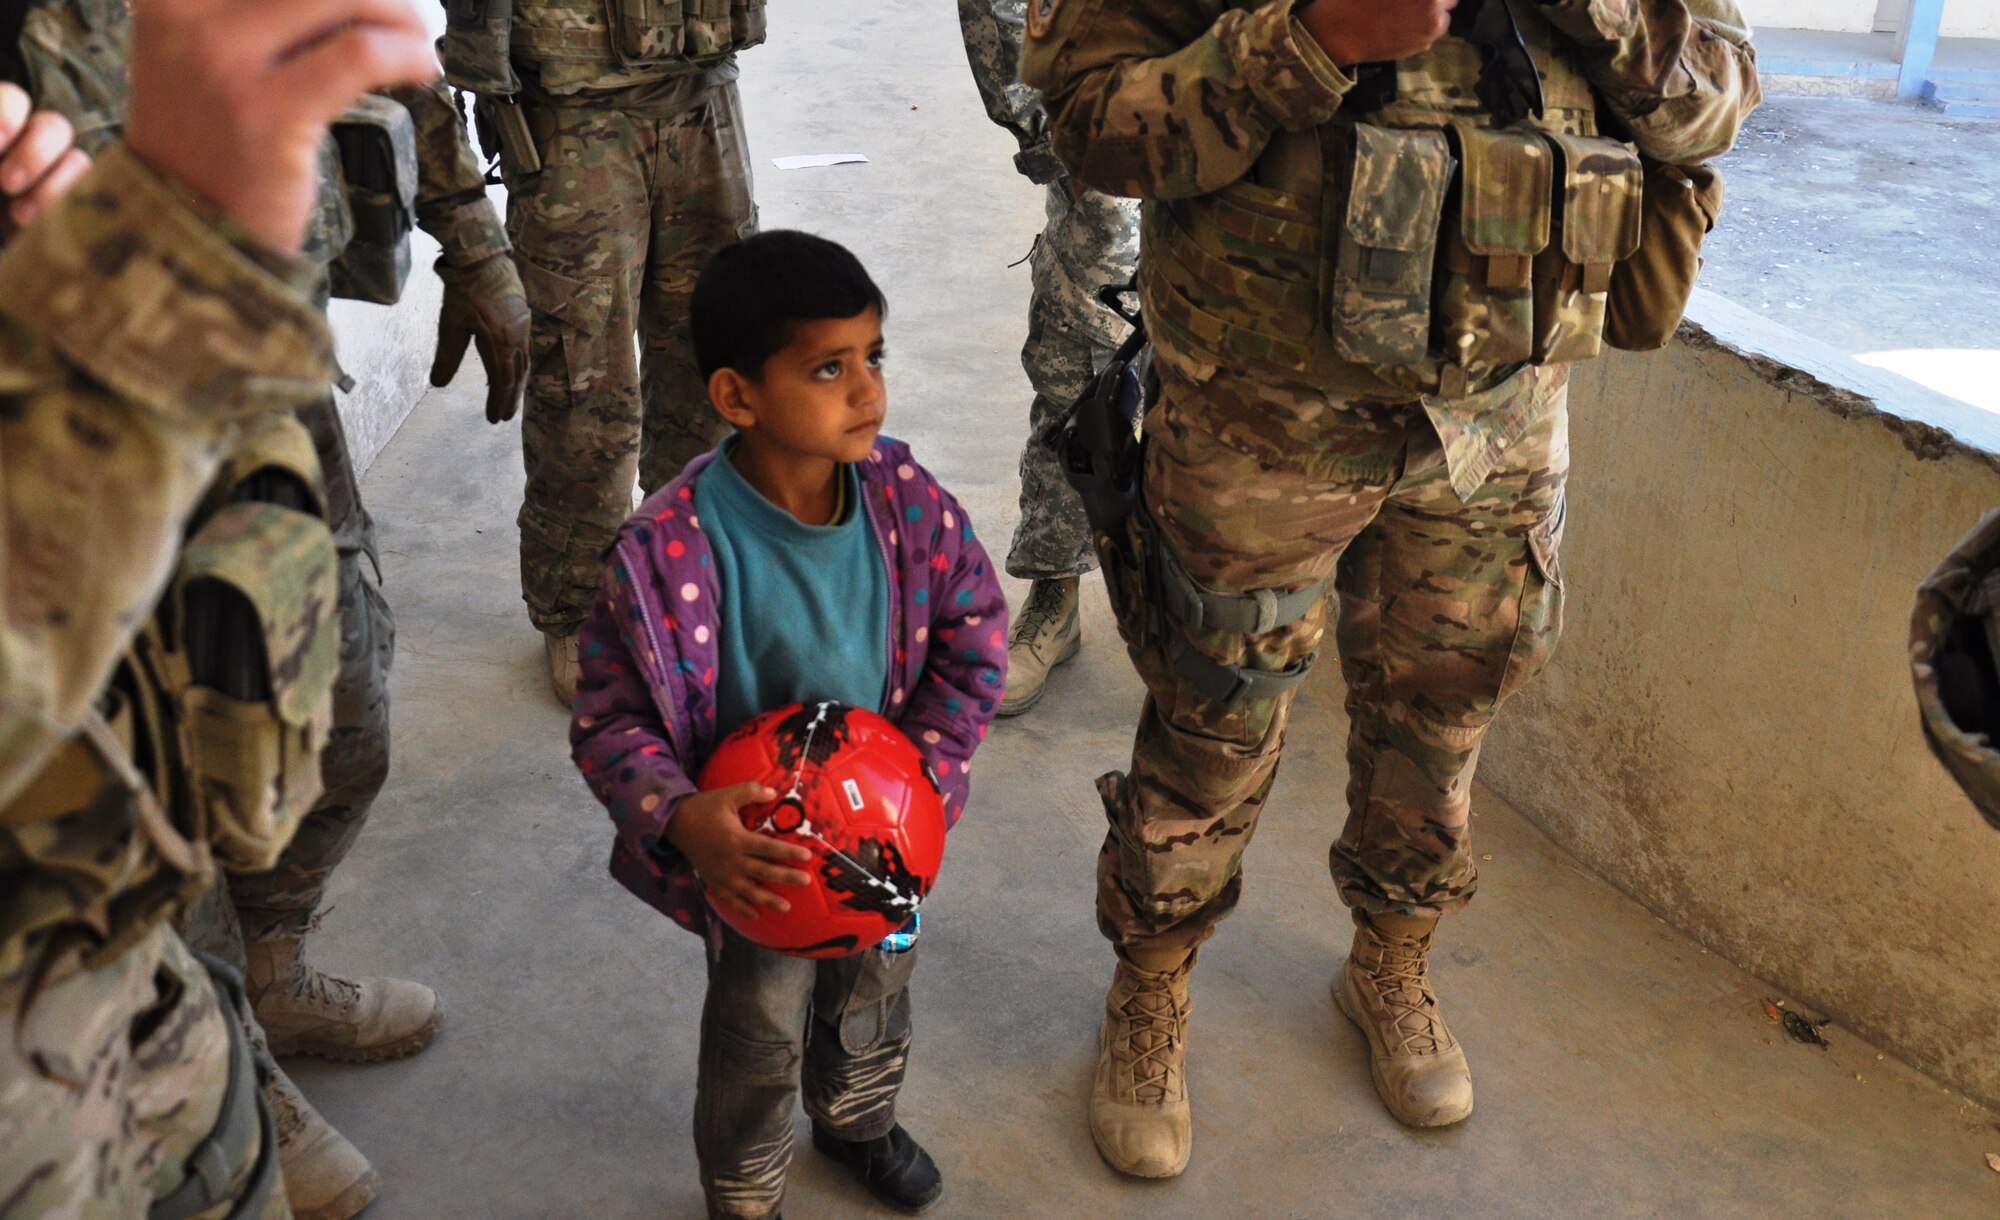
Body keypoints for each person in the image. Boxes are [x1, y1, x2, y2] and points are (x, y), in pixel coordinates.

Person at [1023, 0, 1760, 1177]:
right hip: (1260, 410)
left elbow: (1717, 100)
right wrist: (1312, 40)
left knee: (1447, 707)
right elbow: (1090, 125)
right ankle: (1149, 989)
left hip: (1496, 413)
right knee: (1214, 714)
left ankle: (1390, 963)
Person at [6, 5, 531, 1214]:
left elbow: (353, 43)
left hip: (235, 359)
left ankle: (273, 961)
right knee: (121, 778)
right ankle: (210, 1040)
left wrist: (470, 236)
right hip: (53, 435)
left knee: (339, 708)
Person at [569, 231, 1007, 1219]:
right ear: (736, 396)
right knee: (754, 1034)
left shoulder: (906, 503)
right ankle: (744, 1187)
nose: (866, 392)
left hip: (887, 838)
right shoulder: (665, 545)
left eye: (872, 357)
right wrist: (683, 818)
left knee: (875, 995)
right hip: (758, 862)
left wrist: (925, 777)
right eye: (827, 367)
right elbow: (609, 716)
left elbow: (974, 626)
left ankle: (856, 1122)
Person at [437, 0, 766, 703]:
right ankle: (576, 605)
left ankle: (689, 569)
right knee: (583, 382)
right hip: (573, 113)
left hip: (704, 92)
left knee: (716, 357)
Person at [956, 0, 1139, 716]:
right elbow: (999, 11)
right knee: (1081, 369)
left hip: (1263, 116)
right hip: (1113, 125)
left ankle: (1215, 610)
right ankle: (1055, 594)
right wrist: (1059, 143)